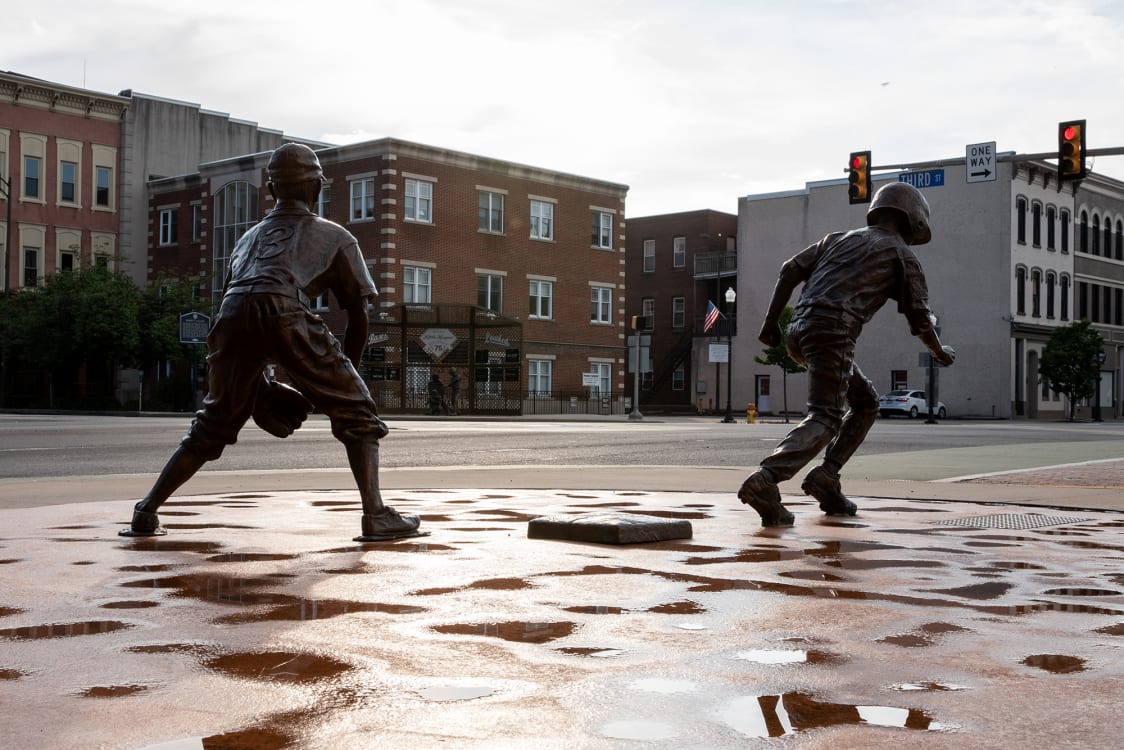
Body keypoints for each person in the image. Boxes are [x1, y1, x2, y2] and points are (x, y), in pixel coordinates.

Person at [121, 143, 421, 542]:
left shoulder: (246, 239)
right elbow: (358, 315)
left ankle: (146, 511)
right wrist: (346, 386)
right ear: (317, 187)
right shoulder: (337, 236)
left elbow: (238, 311)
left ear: (271, 188)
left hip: (232, 313)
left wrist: (258, 387)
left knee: (211, 425)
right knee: (360, 419)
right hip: (284, 309)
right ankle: (376, 515)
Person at [740, 182, 956, 527]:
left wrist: (771, 323)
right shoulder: (902, 255)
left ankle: (827, 477)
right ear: (914, 221)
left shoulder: (837, 239)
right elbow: (920, 321)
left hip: (799, 329)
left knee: (866, 402)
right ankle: (767, 479)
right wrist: (939, 352)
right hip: (833, 330)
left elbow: (789, 269)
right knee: (826, 417)